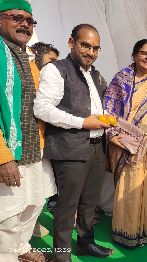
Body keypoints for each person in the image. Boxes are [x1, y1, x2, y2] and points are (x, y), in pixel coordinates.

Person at [33, 24, 114, 261]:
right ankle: (61, 255)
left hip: (97, 148)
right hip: (70, 148)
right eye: (85, 45)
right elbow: (42, 108)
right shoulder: (56, 70)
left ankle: (85, 243)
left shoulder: (96, 75)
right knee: (67, 207)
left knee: (90, 203)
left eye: (96, 48)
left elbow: (98, 108)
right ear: (71, 42)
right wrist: (82, 123)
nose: (91, 52)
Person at [104, 39, 147, 248]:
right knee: (126, 185)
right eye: (144, 53)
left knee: (140, 185)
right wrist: (113, 135)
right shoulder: (121, 79)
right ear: (134, 55)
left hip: (145, 142)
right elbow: (108, 109)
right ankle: (123, 232)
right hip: (124, 141)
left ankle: (139, 231)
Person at [0, 1, 56, 261]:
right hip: (9, 153)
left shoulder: (26, 56)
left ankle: (21, 248)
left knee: (35, 201)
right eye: (17, 17)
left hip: (35, 148)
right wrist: (3, 157)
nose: (25, 24)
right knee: (8, 217)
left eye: (29, 21)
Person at [28, 42, 59, 238]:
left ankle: (32, 225)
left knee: (41, 190)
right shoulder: (28, 73)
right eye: (51, 60)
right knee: (27, 192)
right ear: (37, 56)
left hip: (44, 144)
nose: (53, 65)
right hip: (26, 145)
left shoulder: (49, 79)